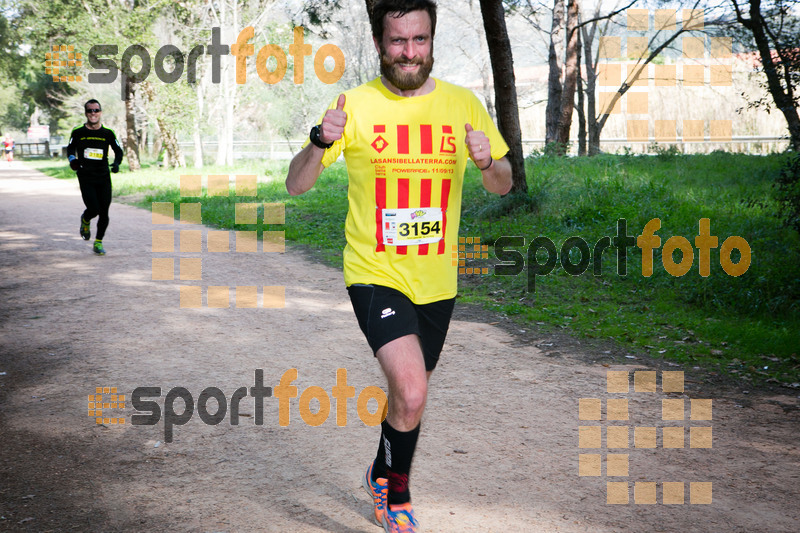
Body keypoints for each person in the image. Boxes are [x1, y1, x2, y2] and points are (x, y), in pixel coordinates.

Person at [286, 1, 512, 531]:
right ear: (380, 42)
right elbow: (297, 183)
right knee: (412, 391)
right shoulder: (355, 106)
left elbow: (500, 184)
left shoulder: (464, 105)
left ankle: (380, 466)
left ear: (431, 40)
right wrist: (320, 141)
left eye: (419, 40)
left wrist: (487, 161)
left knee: (405, 398)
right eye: (397, 41)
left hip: (437, 279)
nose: (409, 52)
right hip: (374, 271)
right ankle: (396, 491)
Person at [66, 99, 123, 255]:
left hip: (103, 176)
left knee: (104, 211)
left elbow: (118, 151)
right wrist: (73, 160)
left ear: (100, 112)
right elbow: (70, 149)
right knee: (94, 209)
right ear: (86, 113)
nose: (93, 113)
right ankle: (86, 219)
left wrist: (117, 163)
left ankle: (98, 242)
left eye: (96, 110)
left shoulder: (107, 133)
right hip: (85, 176)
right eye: (90, 110)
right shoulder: (78, 132)